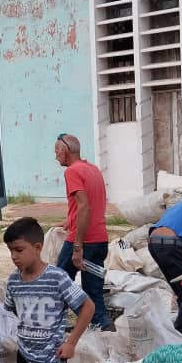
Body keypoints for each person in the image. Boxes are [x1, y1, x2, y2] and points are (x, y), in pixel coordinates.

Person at [3, 217, 94, 363]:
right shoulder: (13, 282)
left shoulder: (57, 277)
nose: (14, 256)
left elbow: (87, 307)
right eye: (10, 250)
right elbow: (10, 312)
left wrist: (70, 343)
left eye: (19, 250)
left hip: (51, 361)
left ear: (37, 247)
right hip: (25, 359)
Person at [54, 133, 110, 330]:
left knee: (57, 284)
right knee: (94, 290)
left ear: (65, 150)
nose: (55, 156)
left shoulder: (72, 172)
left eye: (56, 151)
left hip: (82, 242)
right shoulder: (92, 169)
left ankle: (59, 326)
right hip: (100, 241)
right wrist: (69, 220)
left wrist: (77, 246)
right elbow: (93, 204)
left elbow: (85, 207)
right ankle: (102, 326)